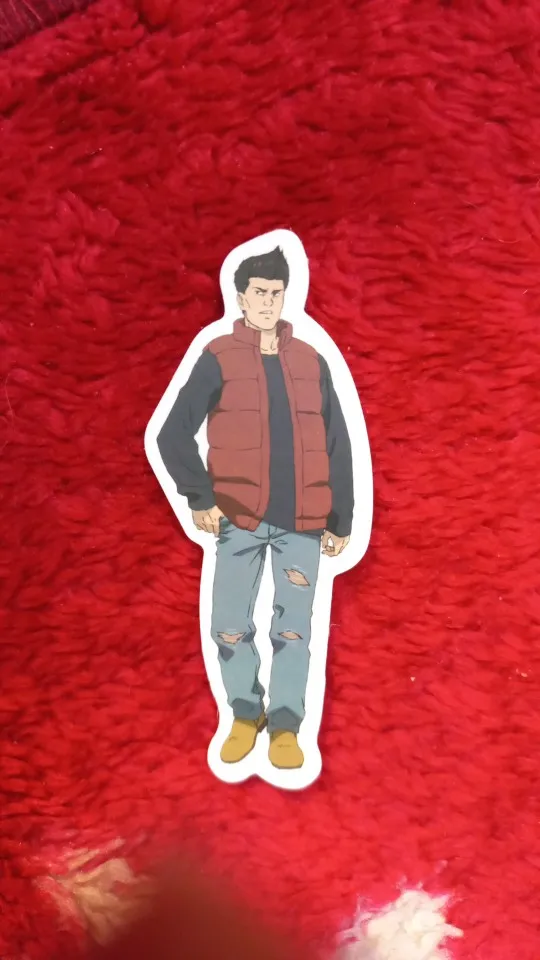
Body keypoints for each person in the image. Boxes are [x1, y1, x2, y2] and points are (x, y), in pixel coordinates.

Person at [157, 247, 354, 770]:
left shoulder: (311, 361)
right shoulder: (219, 355)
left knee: (293, 630)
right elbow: (172, 434)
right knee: (228, 624)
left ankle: (286, 725)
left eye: (276, 292)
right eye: (259, 292)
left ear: (286, 296)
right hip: (238, 517)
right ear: (241, 297)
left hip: (303, 523)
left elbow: (338, 442)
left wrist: (342, 517)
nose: (268, 301)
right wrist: (200, 497)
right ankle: (246, 715)